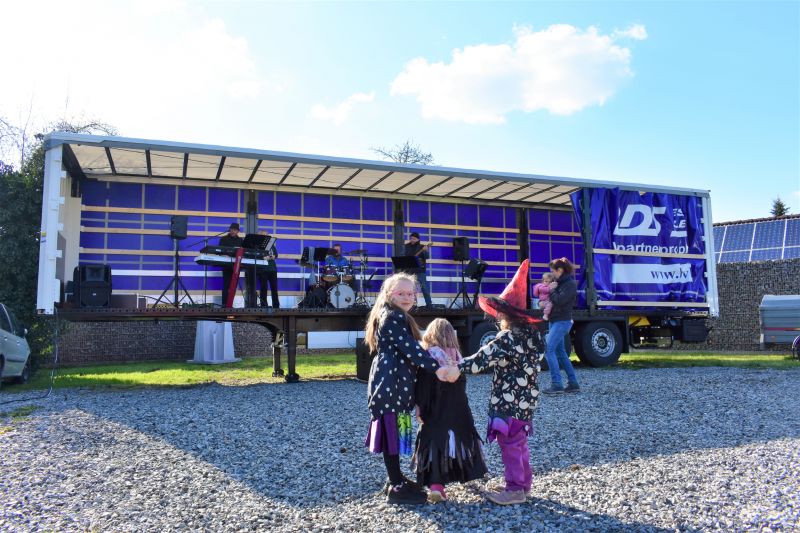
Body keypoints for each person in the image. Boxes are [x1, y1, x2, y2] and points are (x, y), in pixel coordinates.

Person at [442, 259, 545, 505]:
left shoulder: (506, 338)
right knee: (519, 443)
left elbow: (482, 358)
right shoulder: (534, 338)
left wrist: (456, 367)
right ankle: (523, 484)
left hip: (507, 402)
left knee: (509, 444)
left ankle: (514, 489)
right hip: (527, 401)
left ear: (504, 314)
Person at [364, 272, 453, 505]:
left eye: (410, 294)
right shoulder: (393, 316)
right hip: (391, 382)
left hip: (392, 380)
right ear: (389, 294)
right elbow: (410, 349)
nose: (406, 298)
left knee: (392, 431)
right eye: (401, 293)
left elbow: (409, 347)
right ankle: (396, 487)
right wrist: (437, 368)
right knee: (391, 432)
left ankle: (395, 478)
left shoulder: (391, 314)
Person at [413, 318, 488, 502]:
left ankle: (436, 486)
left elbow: (421, 387)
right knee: (461, 440)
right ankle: (466, 472)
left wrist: (419, 407)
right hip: (458, 411)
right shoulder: (458, 359)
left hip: (434, 411)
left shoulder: (428, 359)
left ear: (430, 335)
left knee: (435, 444)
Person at [542, 257, 580, 395]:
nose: (552, 274)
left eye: (553, 271)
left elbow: (559, 300)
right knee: (561, 352)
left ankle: (557, 384)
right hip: (555, 320)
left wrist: (552, 290)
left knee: (549, 349)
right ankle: (573, 384)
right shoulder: (560, 283)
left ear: (560, 270)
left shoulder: (569, 284)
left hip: (562, 321)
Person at [403, 232, 432, 307]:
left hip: (420, 271)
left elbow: (427, 257)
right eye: (411, 238)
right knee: (411, 289)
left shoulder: (422, 247)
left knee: (424, 288)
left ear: (418, 239)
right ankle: (413, 305)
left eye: (414, 238)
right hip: (409, 271)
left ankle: (429, 305)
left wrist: (425, 251)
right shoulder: (406, 246)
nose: (412, 240)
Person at [219, 222, 243, 307]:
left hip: (237, 266)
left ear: (238, 231)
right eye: (232, 229)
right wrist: (224, 254)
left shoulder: (240, 240)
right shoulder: (224, 239)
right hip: (226, 265)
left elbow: (242, 252)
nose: (233, 231)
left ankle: (230, 304)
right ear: (229, 230)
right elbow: (220, 251)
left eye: (235, 230)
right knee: (226, 285)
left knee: (234, 286)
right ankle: (224, 304)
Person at [256, 229, 279, 308]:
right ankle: (264, 305)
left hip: (272, 269)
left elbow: (276, 254)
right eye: (263, 235)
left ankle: (276, 306)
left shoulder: (271, 244)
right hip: (263, 269)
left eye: (266, 235)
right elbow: (257, 256)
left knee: (274, 288)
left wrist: (272, 257)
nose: (265, 237)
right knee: (263, 288)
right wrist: (264, 258)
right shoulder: (258, 245)